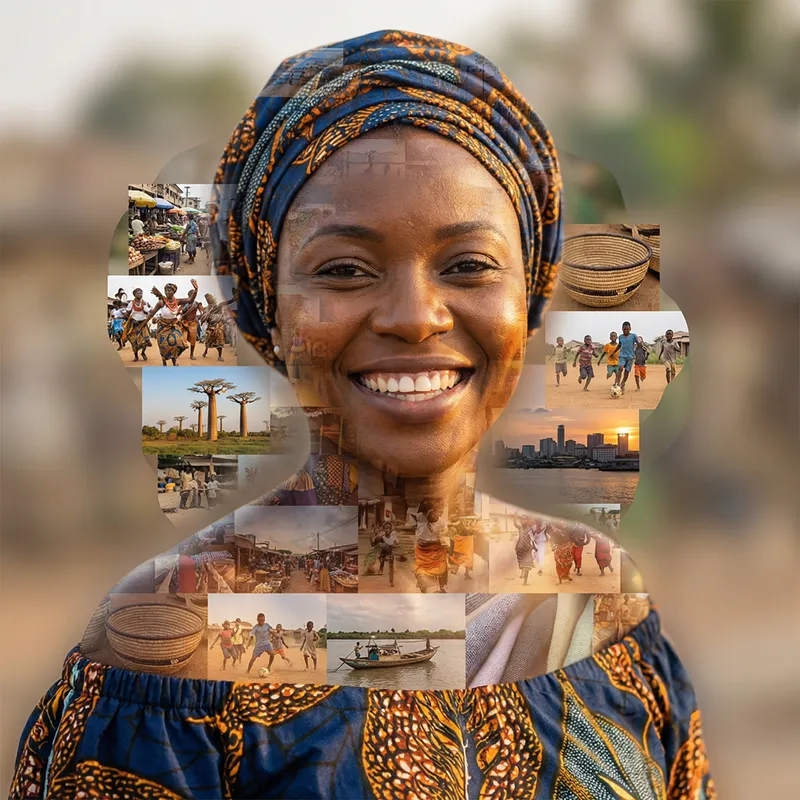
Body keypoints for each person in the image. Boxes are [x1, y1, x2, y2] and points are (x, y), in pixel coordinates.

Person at [18, 33, 713, 800]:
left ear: (530, 298)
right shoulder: (169, 649)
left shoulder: (603, 606)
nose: (416, 317)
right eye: (343, 270)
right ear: (266, 308)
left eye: (468, 266)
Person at [143, 280, 198, 366]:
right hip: (163, 326)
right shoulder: (161, 302)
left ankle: (174, 360)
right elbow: (152, 313)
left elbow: (191, 299)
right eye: (166, 290)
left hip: (173, 326)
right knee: (163, 346)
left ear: (174, 292)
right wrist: (145, 322)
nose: (167, 292)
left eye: (170, 290)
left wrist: (196, 290)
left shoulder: (178, 301)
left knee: (178, 342)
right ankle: (164, 361)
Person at [412, 497, 449, 593]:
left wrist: (441, 539)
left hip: (435, 548)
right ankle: (423, 589)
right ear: (430, 511)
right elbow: (419, 510)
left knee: (442, 567)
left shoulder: (442, 523)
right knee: (420, 570)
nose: (439, 514)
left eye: (441, 512)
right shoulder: (420, 517)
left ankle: (442, 587)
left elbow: (444, 535)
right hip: (422, 549)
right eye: (437, 512)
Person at [120, 288, 152, 362]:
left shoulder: (144, 302)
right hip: (134, 325)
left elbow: (149, 311)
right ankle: (136, 356)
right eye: (138, 293)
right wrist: (123, 315)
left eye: (141, 293)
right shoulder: (131, 303)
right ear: (134, 294)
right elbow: (127, 313)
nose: (140, 295)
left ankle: (143, 353)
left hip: (143, 324)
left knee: (146, 340)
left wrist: (148, 311)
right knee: (134, 341)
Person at [200, 293, 234, 362]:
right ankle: (205, 351)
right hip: (210, 326)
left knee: (220, 339)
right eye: (208, 299)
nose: (210, 299)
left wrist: (233, 299)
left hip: (218, 325)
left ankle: (220, 356)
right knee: (208, 340)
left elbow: (227, 302)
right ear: (207, 300)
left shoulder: (219, 305)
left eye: (211, 298)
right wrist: (208, 313)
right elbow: (203, 318)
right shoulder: (206, 309)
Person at [512, 512, 537, 585]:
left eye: (524, 519)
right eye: (521, 519)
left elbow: (533, 539)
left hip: (527, 549)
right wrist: (515, 516)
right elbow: (515, 524)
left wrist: (535, 547)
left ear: (527, 520)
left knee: (528, 566)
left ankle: (525, 582)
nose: (523, 521)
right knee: (522, 563)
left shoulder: (530, 529)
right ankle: (522, 569)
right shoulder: (520, 528)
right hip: (520, 548)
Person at [617, 320, 638, 393]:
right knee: (620, 368)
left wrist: (640, 345)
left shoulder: (633, 336)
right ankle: (617, 384)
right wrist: (614, 352)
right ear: (622, 329)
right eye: (624, 329)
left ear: (630, 329)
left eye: (627, 329)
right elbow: (619, 345)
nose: (626, 330)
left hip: (630, 357)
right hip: (622, 356)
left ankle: (623, 383)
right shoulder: (620, 337)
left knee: (626, 372)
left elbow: (638, 343)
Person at [180, 293, 201, 361]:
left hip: (193, 324)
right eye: (191, 295)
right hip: (185, 323)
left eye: (194, 295)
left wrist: (197, 319)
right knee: (182, 340)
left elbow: (202, 312)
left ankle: (191, 354)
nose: (192, 296)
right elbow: (182, 312)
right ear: (189, 296)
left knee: (193, 340)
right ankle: (178, 353)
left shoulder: (197, 304)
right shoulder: (186, 304)